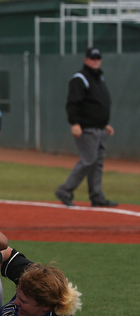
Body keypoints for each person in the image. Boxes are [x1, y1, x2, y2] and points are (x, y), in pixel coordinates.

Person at [55, 47, 118, 208]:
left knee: (97, 163)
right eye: (93, 58)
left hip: (100, 127)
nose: (96, 61)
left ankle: (97, 196)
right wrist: (75, 123)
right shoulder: (80, 78)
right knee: (88, 160)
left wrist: (105, 124)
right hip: (86, 128)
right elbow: (73, 102)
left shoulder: (99, 78)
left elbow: (98, 103)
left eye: (98, 58)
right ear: (86, 59)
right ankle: (65, 190)